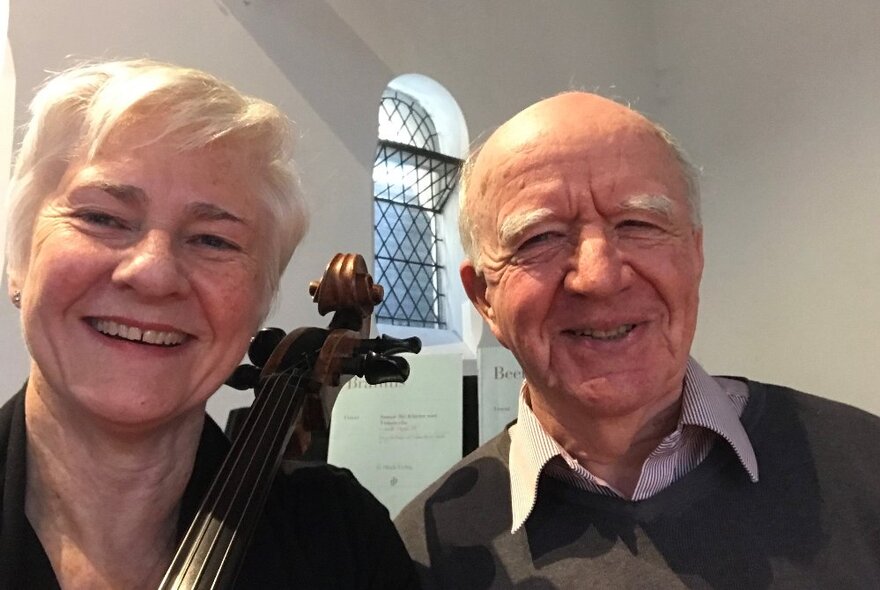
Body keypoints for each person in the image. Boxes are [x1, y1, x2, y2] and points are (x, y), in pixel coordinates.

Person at [394, 92, 880, 588]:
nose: (599, 277)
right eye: (540, 238)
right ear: (483, 297)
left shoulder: (865, 464)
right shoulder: (422, 554)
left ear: (695, 255)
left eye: (638, 224)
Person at [0, 59, 418, 589]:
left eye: (213, 240)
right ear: (19, 260)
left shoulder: (343, 543)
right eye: (102, 218)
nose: (153, 273)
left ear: (260, 300)